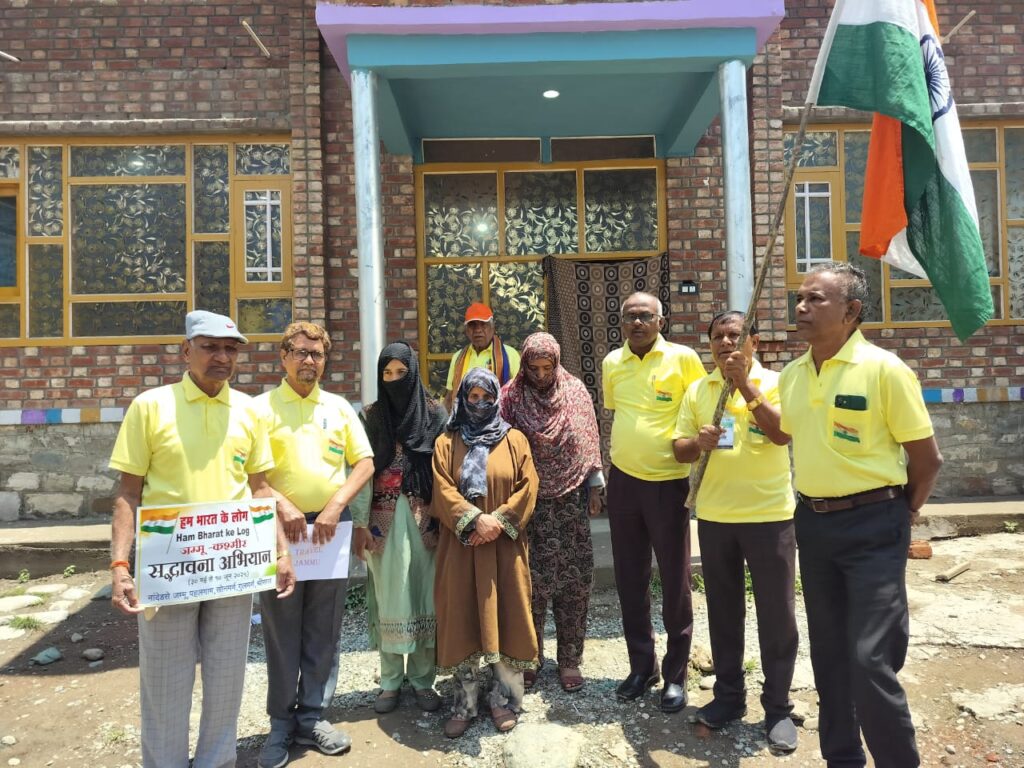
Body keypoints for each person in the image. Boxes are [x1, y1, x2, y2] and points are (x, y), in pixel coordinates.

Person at [108, 310, 296, 768]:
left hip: (232, 566)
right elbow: (128, 493)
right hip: (169, 569)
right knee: (165, 682)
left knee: (227, 678)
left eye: (231, 349)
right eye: (210, 347)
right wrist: (119, 566)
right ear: (185, 350)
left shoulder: (249, 411)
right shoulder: (151, 407)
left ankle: (217, 761)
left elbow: (259, 488)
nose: (222, 357)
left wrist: (282, 551)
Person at [779, 262, 943, 768]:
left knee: (870, 657)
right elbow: (786, 433)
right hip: (814, 525)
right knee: (828, 654)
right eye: (799, 298)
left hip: (875, 525)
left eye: (816, 299)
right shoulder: (793, 374)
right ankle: (843, 757)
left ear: (851, 311)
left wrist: (904, 511)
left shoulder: (884, 370)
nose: (801, 307)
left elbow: (927, 460)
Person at [672, 311, 799, 752]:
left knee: (777, 616)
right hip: (716, 518)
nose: (726, 343)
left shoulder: (778, 382)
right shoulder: (698, 390)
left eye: (736, 335)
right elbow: (679, 449)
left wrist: (744, 385)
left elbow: (782, 434)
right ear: (709, 344)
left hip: (770, 517)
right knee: (724, 612)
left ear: (754, 343)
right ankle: (729, 697)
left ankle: (778, 708)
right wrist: (698, 443)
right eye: (718, 337)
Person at [251, 321, 375, 768]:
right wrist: (281, 504)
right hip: (278, 529)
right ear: (283, 357)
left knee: (325, 627)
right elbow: (249, 472)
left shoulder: (338, 408)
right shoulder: (260, 409)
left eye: (317, 354)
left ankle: (313, 717)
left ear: (325, 360)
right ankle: (280, 724)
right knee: (281, 628)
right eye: (301, 352)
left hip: (328, 529)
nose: (309, 360)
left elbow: (364, 462)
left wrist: (336, 504)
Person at [601, 291, 706, 712]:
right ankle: (641, 667)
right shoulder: (613, 363)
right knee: (630, 577)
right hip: (623, 482)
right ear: (622, 322)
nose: (637, 322)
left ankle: (676, 675)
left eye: (645, 316)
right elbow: (618, 413)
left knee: (675, 580)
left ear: (661, 321)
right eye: (630, 316)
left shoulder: (684, 359)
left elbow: (699, 411)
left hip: (668, 484)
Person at [430, 368, 539, 738]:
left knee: (507, 614)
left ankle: (504, 699)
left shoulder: (515, 440)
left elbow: (528, 487)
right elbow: (443, 490)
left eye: (487, 397)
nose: (480, 404)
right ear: (462, 398)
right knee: (462, 616)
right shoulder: (446, 442)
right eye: (473, 397)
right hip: (461, 547)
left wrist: (498, 521)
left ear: (497, 399)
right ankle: (464, 703)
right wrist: (475, 520)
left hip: (504, 548)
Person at [499, 332, 604, 693]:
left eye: (547, 367)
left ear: (557, 363)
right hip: (526, 502)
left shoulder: (575, 392)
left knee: (574, 582)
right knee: (529, 583)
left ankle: (570, 659)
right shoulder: (510, 397)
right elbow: (499, 446)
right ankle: (529, 657)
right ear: (524, 364)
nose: (541, 375)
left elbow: (588, 439)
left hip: (571, 500)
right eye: (534, 368)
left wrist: (595, 487)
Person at [351, 342, 447, 715]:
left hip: (426, 519)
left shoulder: (434, 414)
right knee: (390, 596)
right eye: (386, 373)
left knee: (423, 595)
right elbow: (362, 472)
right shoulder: (371, 416)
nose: (393, 380)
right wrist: (360, 523)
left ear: (413, 372)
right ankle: (390, 681)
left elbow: (445, 469)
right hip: (382, 522)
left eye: (400, 373)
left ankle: (423, 680)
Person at [444, 302, 521, 407]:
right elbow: (450, 397)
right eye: (473, 325)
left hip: (499, 416)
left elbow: (520, 394)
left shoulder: (510, 355)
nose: (478, 330)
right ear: (466, 330)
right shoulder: (458, 357)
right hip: (464, 416)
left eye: (483, 324)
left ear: (492, 327)